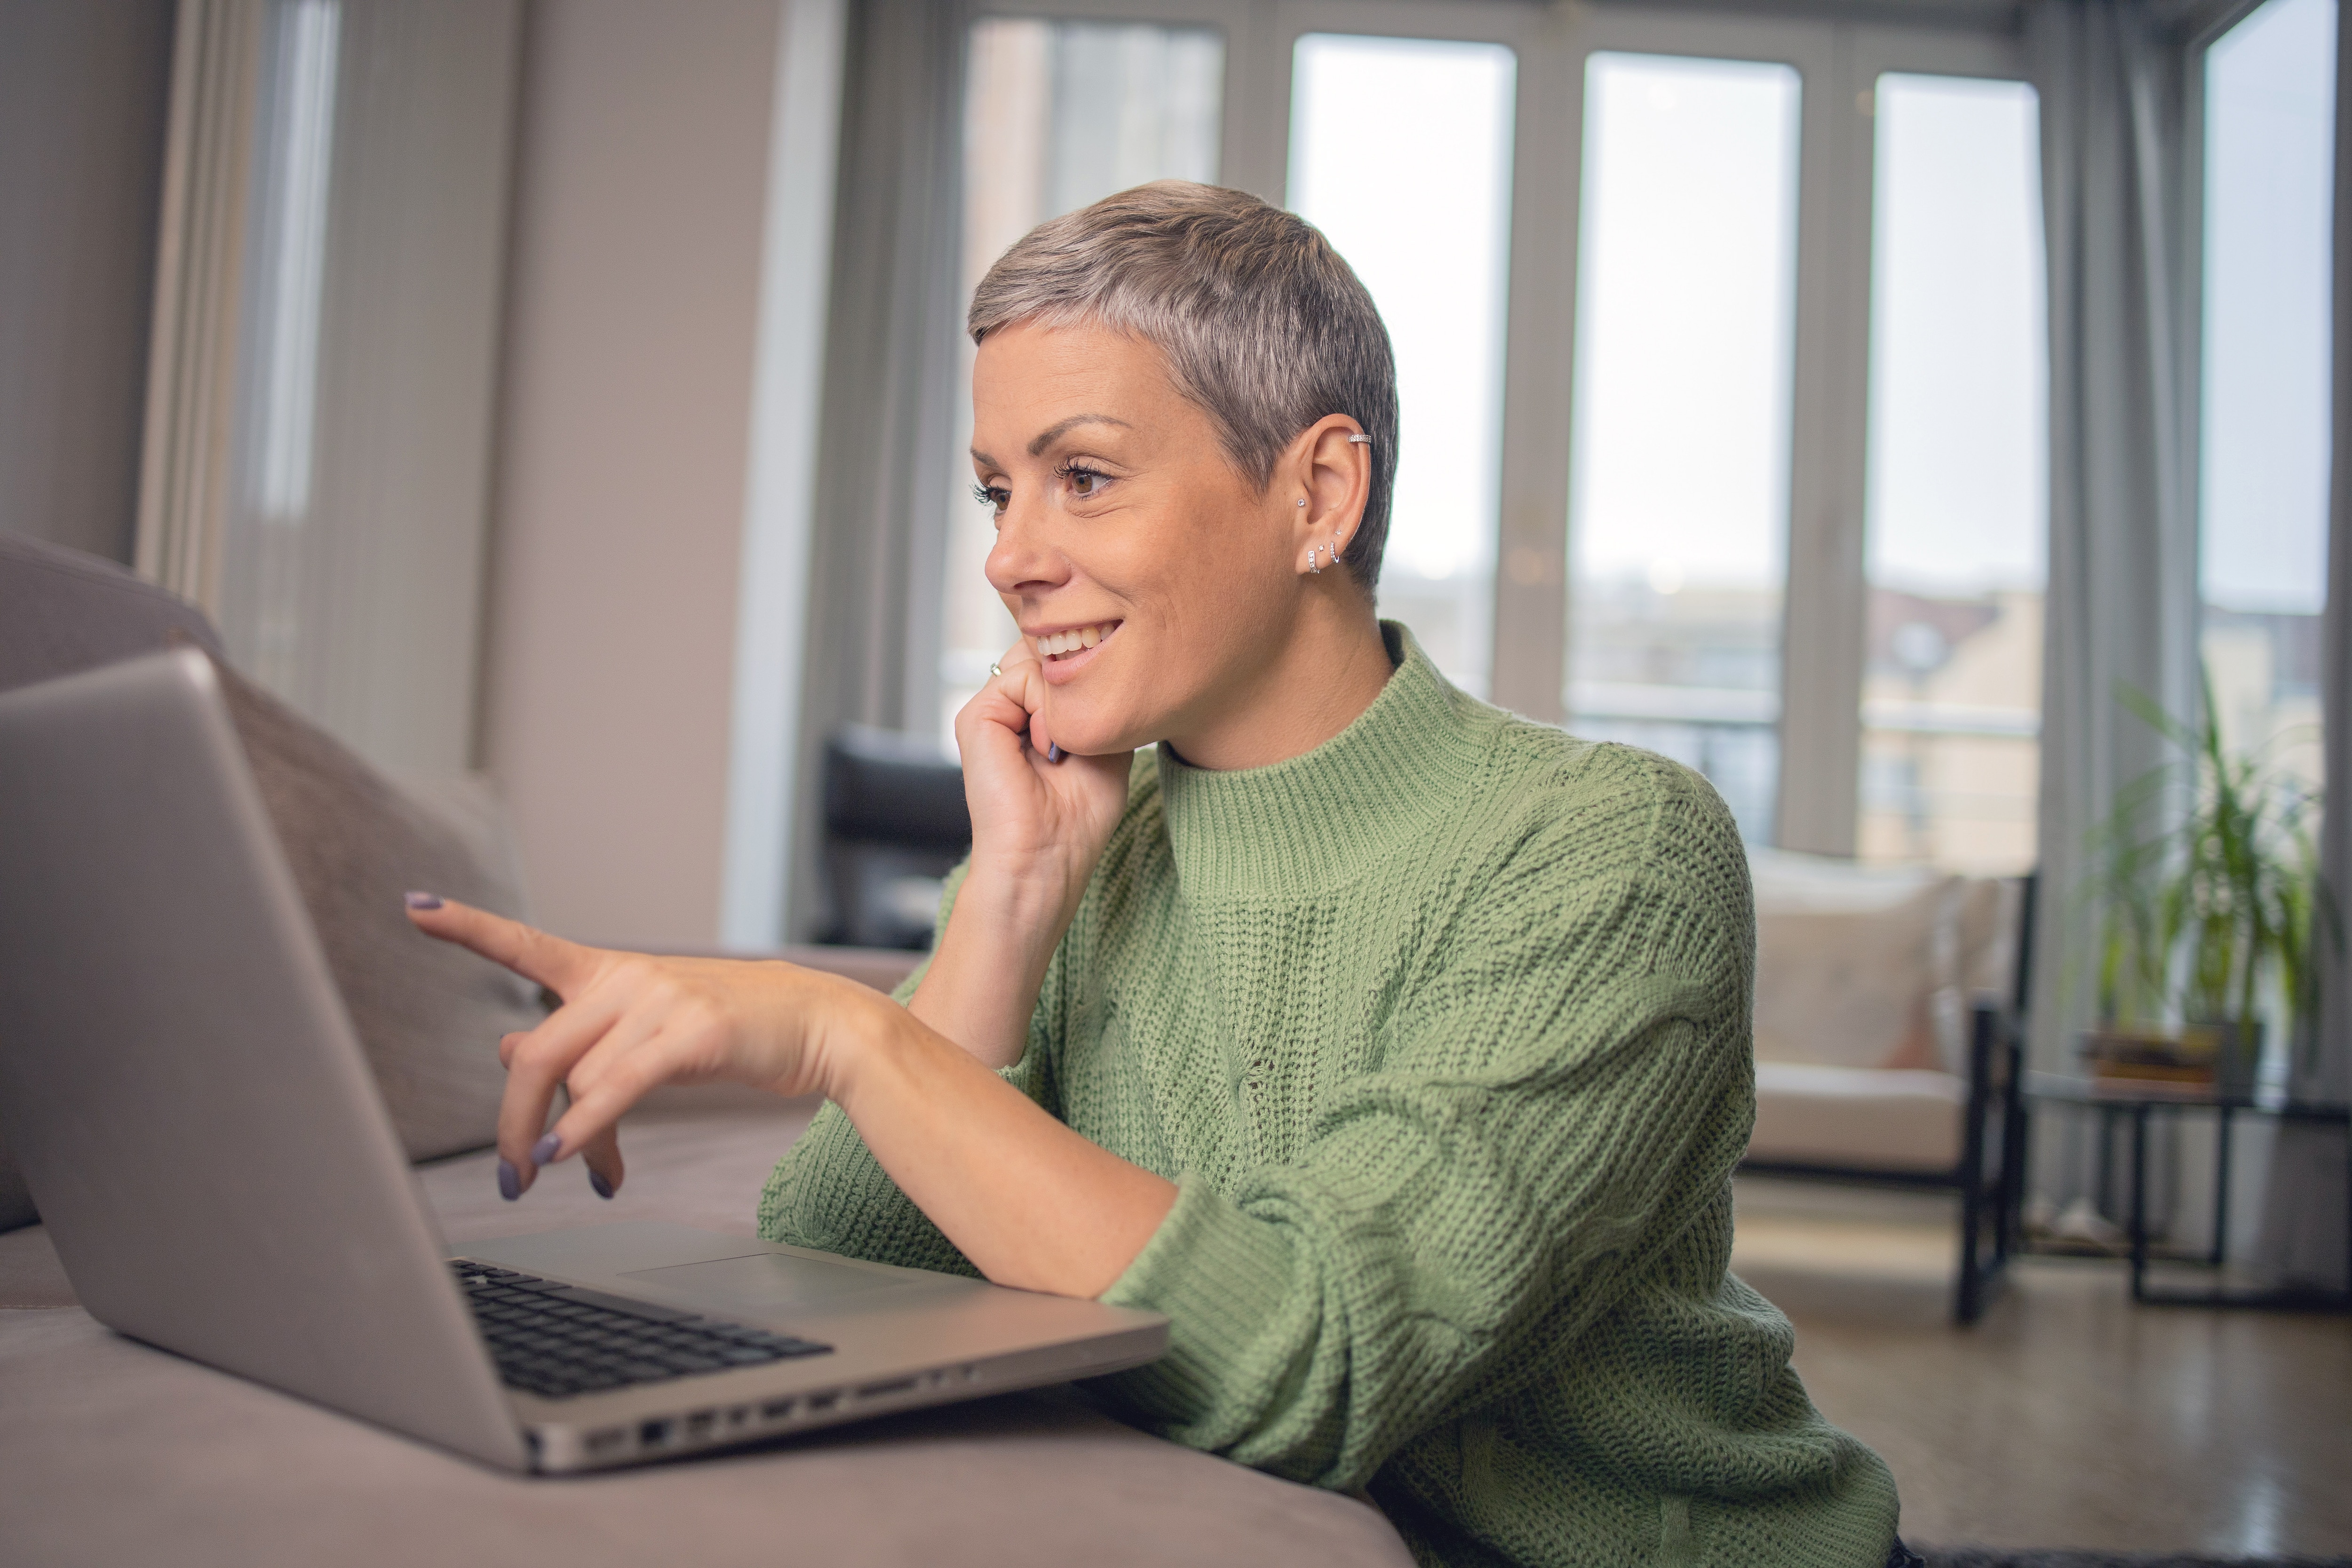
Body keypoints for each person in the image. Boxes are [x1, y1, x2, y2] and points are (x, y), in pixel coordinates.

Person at [409, 181, 1908, 1568]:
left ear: (1318, 495)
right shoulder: (1084, 846)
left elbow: (1314, 1366)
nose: (1011, 556)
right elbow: (839, 1272)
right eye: (1000, 491)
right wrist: (1006, 909)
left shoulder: (1610, 854)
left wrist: (844, 1029)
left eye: (1084, 477)